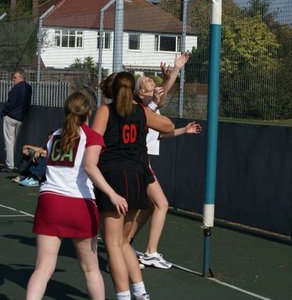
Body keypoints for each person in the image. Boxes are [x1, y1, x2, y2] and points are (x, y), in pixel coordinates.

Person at [26, 92, 128, 300]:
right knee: (90, 269)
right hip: (79, 203)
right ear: (89, 112)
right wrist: (113, 194)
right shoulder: (91, 137)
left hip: (50, 202)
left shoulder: (54, 135)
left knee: (43, 269)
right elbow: (90, 166)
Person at [92, 71, 176, 300]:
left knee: (112, 245)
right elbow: (168, 126)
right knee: (124, 242)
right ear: (133, 90)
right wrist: (152, 108)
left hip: (113, 177)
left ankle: (123, 296)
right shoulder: (140, 111)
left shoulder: (105, 111)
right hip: (138, 178)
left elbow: (93, 144)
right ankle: (141, 292)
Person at [131, 56, 202, 270]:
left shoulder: (151, 109)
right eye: (149, 84)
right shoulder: (143, 110)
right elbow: (163, 90)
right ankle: (150, 253)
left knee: (150, 207)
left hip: (142, 162)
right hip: (137, 162)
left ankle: (126, 242)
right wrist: (171, 76)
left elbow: (159, 135)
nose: (154, 84)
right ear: (141, 93)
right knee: (162, 204)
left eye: (155, 83)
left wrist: (183, 130)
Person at [1, 70, 32, 172]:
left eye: (14, 77)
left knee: (9, 142)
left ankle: (9, 165)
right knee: (14, 141)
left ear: (20, 78)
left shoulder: (16, 88)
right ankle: (12, 163)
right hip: (20, 118)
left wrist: (4, 112)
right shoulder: (28, 88)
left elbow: (11, 103)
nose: (12, 80)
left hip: (10, 117)